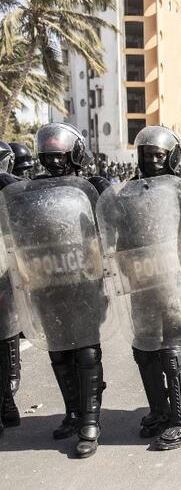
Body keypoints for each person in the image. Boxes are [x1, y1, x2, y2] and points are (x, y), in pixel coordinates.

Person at [97, 126, 181, 449]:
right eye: (148, 154)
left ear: (171, 157)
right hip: (140, 282)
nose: (153, 160)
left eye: (159, 155)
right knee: (144, 350)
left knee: (171, 349)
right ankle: (160, 411)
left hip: (173, 281)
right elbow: (118, 235)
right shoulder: (125, 192)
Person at [17, 123, 110, 457]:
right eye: (49, 156)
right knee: (59, 351)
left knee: (86, 351)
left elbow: (109, 226)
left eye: (60, 155)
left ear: (74, 153)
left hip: (85, 280)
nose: (54, 162)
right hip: (47, 282)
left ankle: (90, 421)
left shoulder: (92, 186)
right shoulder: (29, 190)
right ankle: (73, 413)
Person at [0, 141, 22, 436]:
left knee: (4, 335)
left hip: (3, 268)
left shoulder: (8, 185)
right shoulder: (11, 184)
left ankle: (6, 402)